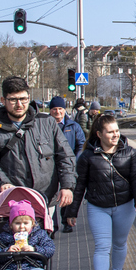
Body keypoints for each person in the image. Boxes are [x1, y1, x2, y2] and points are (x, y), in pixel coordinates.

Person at [64, 114, 136, 270]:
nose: (115, 135)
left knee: (119, 243)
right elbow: (79, 185)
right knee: (102, 246)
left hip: (124, 206)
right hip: (98, 207)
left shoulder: (129, 153)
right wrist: (72, 212)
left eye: (117, 131)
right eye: (110, 132)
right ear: (99, 134)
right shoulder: (87, 156)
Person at [0, 76, 76, 217]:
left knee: (43, 238)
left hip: (44, 200)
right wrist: (2, 183)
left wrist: (67, 186)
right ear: (3, 100)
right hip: (10, 202)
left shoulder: (46, 123)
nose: (19, 104)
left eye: (23, 99)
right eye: (13, 99)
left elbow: (65, 156)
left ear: (29, 97)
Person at [48, 96, 86, 233]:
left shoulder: (73, 126)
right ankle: (51, 226)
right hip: (49, 168)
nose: (57, 112)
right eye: (54, 109)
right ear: (50, 111)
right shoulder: (45, 126)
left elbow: (81, 144)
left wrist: (75, 161)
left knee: (67, 194)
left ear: (65, 110)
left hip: (68, 167)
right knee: (51, 196)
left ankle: (66, 222)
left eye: (60, 109)